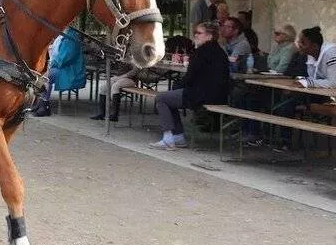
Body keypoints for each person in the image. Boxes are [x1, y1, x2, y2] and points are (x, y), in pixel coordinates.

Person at [149, 21, 230, 149]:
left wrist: (178, 86)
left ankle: (168, 137)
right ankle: (178, 136)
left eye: (199, 33)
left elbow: (190, 77)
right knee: (170, 97)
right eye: (195, 33)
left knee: (161, 98)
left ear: (210, 36)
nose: (195, 36)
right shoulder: (220, 52)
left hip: (201, 95)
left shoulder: (201, 52)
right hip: (217, 95)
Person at [33, 27, 86, 117]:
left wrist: (52, 64)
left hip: (70, 71)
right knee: (39, 74)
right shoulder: (60, 35)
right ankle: (39, 102)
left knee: (46, 77)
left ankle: (45, 105)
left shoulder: (71, 37)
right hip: (60, 68)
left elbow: (65, 58)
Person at [89, 66, 161, 122]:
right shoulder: (125, 54)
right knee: (104, 87)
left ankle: (115, 115)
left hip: (130, 79)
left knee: (115, 86)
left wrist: (120, 77)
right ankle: (102, 114)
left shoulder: (138, 57)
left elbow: (134, 72)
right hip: (119, 77)